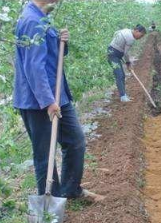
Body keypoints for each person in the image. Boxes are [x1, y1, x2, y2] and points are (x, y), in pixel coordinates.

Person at [13, 0, 104, 202]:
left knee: (75, 141)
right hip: (38, 101)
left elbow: (54, 56)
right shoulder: (30, 20)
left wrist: (62, 41)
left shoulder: (43, 19)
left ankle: (71, 190)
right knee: (45, 154)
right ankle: (50, 205)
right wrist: (48, 102)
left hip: (58, 95)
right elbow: (34, 68)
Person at [108, 24, 146, 102]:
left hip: (115, 54)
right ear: (136, 31)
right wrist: (128, 63)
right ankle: (123, 97)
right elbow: (126, 53)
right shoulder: (130, 38)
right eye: (141, 35)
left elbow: (116, 33)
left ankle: (124, 95)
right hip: (113, 55)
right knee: (119, 75)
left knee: (122, 75)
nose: (140, 37)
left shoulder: (126, 30)